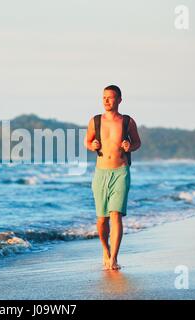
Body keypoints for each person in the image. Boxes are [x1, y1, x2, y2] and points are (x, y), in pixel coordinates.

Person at [84, 85, 141, 270]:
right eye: (104, 98)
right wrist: (92, 144)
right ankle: (105, 249)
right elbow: (87, 141)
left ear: (119, 100)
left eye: (110, 97)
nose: (106, 101)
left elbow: (137, 142)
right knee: (102, 219)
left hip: (121, 171)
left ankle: (114, 258)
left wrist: (129, 146)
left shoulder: (127, 121)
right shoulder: (95, 121)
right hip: (101, 172)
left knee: (115, 214)